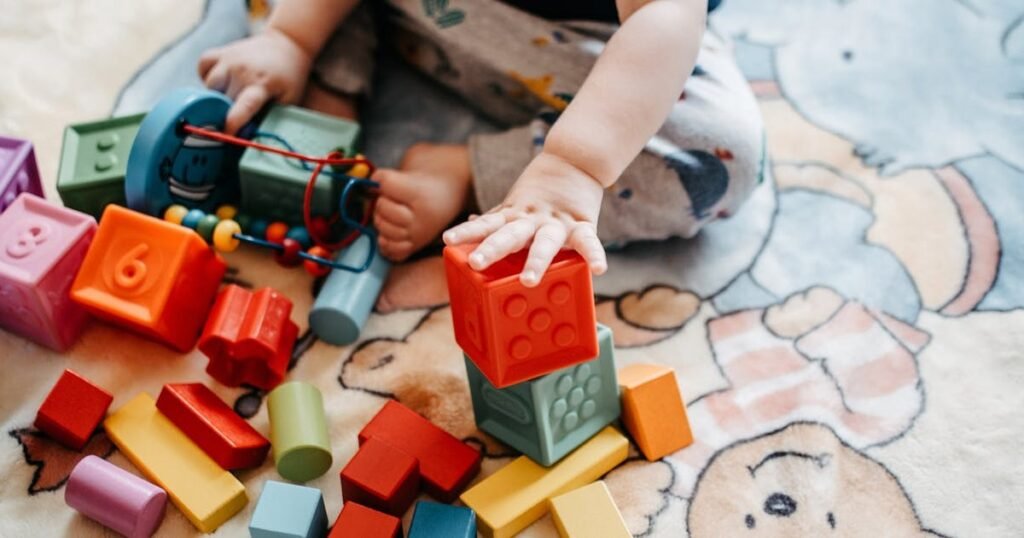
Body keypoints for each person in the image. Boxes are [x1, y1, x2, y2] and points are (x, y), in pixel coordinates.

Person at [199, 0, 763, 286]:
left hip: (599, 47)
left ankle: (468, 172)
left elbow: (661, 19)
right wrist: (290, 38)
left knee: (718, 155)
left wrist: (571, 168)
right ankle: (325, 79)